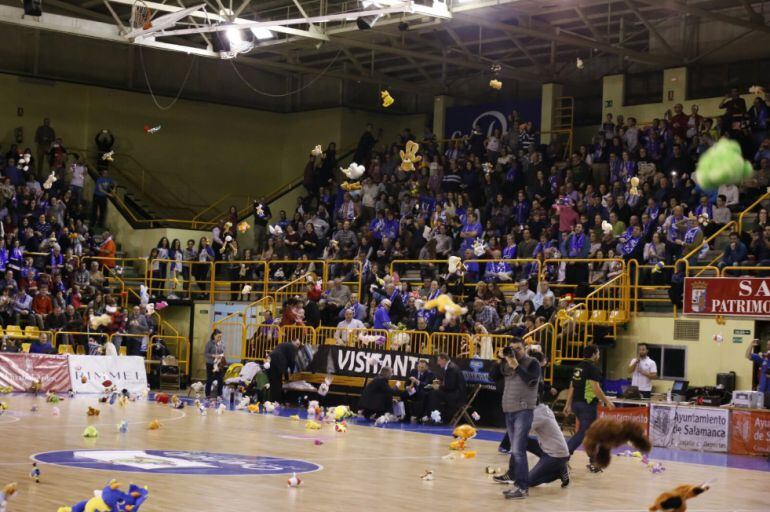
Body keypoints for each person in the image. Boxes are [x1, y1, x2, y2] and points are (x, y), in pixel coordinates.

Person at [490, 338, 540, 500]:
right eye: (512, 349)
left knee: (518, 450)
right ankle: (518, 484)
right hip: (509, 410)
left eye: (518, 348)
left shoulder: (533, 363)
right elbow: (492, 376)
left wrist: (517, 367)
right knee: (516, 450)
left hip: (524, 409)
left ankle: (522, 488)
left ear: (525, 348)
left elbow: (531, 381)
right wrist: (500, 360)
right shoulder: (507, 364)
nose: (515, 352)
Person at [564, 344, 615, 473]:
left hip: (577, 404)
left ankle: (594, 462)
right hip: (587, 405)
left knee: (589, 433)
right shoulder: (593, 368)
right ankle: (563, 457)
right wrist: (607, 401)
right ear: (594, 354)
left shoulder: (578, 367)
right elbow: (595, 388)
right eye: (597, 352)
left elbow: (572, 386)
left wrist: (568, 404)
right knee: (584, 432)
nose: (598, 355)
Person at [423, 353, 465, 424]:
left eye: (439, 360)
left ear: (444, 360)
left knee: (434, 393)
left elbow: (450, 387)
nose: (438, 363)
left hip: (456, 396)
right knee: (433, 392)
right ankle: (433, 416)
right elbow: (450, 383)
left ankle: (437, 418)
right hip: (454, 393)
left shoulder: (451, 368)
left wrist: (438, 386)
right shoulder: (450, 366)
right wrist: (440, 383)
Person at [266, 338, 300, 404]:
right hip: (277, 361)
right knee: (277, 383)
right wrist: (292, 372)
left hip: (270, 360)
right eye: (297, 344)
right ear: (292, 341)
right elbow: (291, 361)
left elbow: (286, 363)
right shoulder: (292, 347)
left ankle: (272, 400)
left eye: (299, 345)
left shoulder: (284, 344)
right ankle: (277, 401)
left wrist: (286, 375)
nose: (297, 346)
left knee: (273, 382)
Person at [746, 339, 770, 406]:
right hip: (762, 391)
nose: (768, 346)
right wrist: (751, 345)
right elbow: (748, 355)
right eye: (768, 344)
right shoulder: (764, 358)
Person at [204, 329, 226, 398]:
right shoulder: (209, 343)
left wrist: (221, 356)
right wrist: (213, 355)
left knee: (220, 379)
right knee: (209, 379)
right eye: (218, 337)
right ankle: (207, 394)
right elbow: (206, 353)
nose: (220, 338)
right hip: (210, 363)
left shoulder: (221, 343)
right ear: (214, 336)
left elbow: (222, 352)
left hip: (218, 364)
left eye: (221, 337)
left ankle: (220, 394)